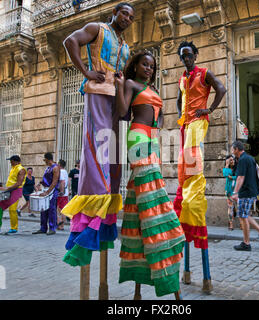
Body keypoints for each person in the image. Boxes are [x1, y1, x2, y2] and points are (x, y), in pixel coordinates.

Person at [61, 2, 135, 267]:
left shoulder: (125, 46)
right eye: (124, 13)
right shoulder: (97, 28)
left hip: (115, 101)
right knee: (97, 149)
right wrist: (85, 72)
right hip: (96, 93)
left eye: (131, 16)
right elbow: (71, 41)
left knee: (113, 157)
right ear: (114, 13)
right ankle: (91, 215)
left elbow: (124, 76)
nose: (127, 18)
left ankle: (105, 218)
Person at [115, 50, 185, 298]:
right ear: (135, 66)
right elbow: (123, 112)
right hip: (137, 135)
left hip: (152, 139)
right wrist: (120, 84)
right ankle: (163, 234)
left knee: (141, 200)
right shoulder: (131, 83)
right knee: (151, 193)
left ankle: (138, 289)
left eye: (152, 66)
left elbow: (161, 116)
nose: (149, 68)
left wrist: (159, 130)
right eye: (145, 64)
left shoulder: (152, 89)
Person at [173, 41, 226, 248]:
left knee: (192, 160)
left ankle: (192, 204)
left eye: (188, 55)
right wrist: (180, 115)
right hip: (185, 125)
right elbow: (179, 100)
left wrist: (209, 110)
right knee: (184, 165)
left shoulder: (204, 73)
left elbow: (221, 89)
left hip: (198, 122)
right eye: (183, 56)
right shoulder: (182, 78)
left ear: (195, 55)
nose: (186, 59)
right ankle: (185, 204)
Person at [231, 140, 259, 251]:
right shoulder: (250, 158)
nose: (232, 152)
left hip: (246, 192)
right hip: (251, 191)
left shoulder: (243, 160)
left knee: (242, 217)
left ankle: (246, 243)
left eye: (233, 150)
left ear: (237, 149)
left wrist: (235, 192)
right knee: (245, 214)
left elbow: (240, 177)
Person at [32, 152, 60, 235]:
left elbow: (54, 182)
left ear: (47, 159)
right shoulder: (48, 168)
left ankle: (52, 228)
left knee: (51, 209)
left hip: (52, 191)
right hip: (45, 189)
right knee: (43, 209)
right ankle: (43, 228)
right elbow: (46, 179)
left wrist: (48, 192)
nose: (44, 161)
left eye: (45, 159)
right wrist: (40, 183)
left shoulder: (55, 168)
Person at [0, 155, 26, 234]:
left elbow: (19, 183)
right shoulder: (13, 168)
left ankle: (14, 228)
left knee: (12, 209)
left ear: (17, 161)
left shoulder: (21, 170)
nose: (11, 162)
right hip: (9, 190)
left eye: (12, 161)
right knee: (1, 206)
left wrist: (7, 188)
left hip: (16, 190)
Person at [223, 155, 237, 230]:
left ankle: (241, 224)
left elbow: (238, 177)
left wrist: (231, 177)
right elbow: (225, 174)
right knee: (230, 207)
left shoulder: (237, 168)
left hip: (237, 191)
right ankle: (231, 224)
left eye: (233, 160)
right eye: (230, 160)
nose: (233, 161)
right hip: (229, 191)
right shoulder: (227, 169)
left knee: (237, 207)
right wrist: (227, 165)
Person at [57, 159, 69, 230]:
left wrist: (61, 191)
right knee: (63, 209)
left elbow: (63, 182)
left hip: (61, 193)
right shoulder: (65, 172)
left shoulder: (60, 171)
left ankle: (60, 222)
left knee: (56, 208)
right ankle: (62, 226)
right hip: (66, 192)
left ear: (59, 165)